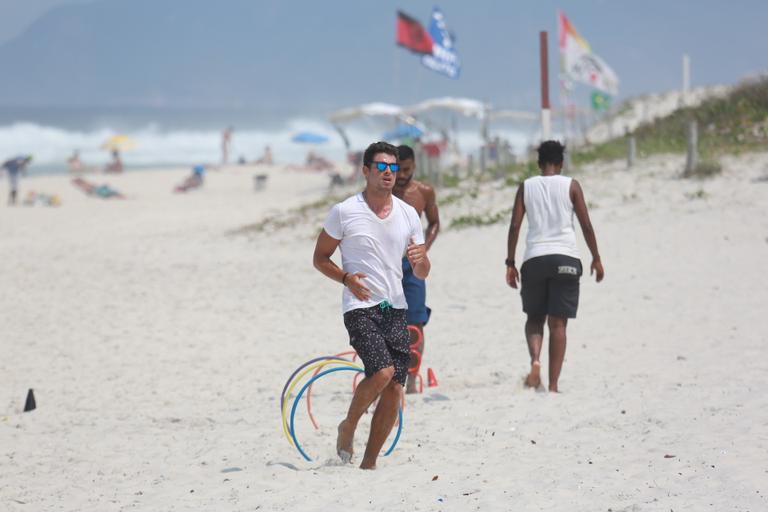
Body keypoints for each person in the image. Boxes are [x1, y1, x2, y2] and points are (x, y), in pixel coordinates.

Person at [313, 141, 430, 469]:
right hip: (360, 305)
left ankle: (368, 463)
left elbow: (421, 270)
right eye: (381, 167)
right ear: (365, 171)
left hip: (396, 306)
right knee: (382, 372)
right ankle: (349, 424)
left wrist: (423, 261)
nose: (389, 173)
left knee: (394, 389)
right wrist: (345, 278)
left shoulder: (408, 214)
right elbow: (320, 258)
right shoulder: (344, 211)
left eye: (393, 168)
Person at [505, 140, 604, 392]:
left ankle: (535, 359)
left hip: (534, 259)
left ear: (539, 164)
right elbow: (586, 225)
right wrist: (596, 257)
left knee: (535, 318)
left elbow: (515, 226)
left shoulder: (526, 187)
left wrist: (510, 262)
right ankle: (554, 385)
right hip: (566, 258)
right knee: (558, 324)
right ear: (561, 163)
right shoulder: (571, 185)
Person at [392, 144, 440, 393]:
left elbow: (434, 223)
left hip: (412, 266)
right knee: (384, 320)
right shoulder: (381, 192)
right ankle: (389, 376)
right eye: (397, 170)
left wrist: (424, 249)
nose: (401, 176)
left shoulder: (423, 191)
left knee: (415, 323)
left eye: (406, 170)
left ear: (414, 166)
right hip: (386, 266)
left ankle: (410, 379)